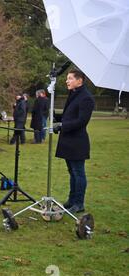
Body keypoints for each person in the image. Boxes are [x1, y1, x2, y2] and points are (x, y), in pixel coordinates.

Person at [54, 69, 94, 214]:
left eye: (70, 78)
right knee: (72, 172)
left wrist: (63, 126)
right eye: (67, 78)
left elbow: (81, 121)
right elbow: (69, 116)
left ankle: (79, 203)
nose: (67, 81)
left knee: (78, 173)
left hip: (77, 142)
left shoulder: (86, 98)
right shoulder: (74, 94)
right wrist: (56, 117)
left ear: (79, 80)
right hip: (68, 141)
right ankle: (71, 200)